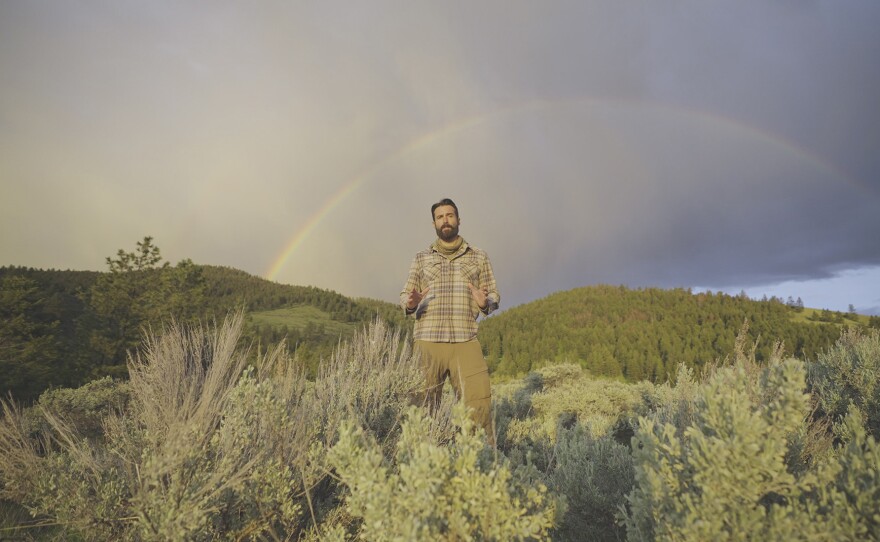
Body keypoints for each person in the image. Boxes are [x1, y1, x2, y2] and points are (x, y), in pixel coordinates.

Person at [400, 198, 500, 444]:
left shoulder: (479, 256)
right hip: (427, 342)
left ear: (458, 220)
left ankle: (479, 460)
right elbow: (405, 295)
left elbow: (494, 296)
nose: (445, 220)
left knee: (478, 408)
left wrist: (484, 301)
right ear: (434, 223)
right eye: (440, 217)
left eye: (450, 215)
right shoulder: (421, 258)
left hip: (465, 341)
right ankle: (421, 461)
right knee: (419, 411)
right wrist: (411, 302)